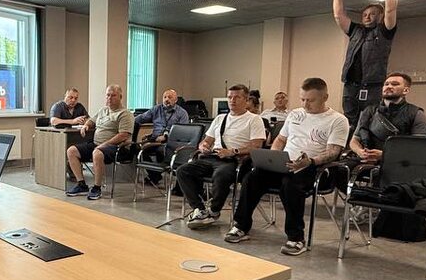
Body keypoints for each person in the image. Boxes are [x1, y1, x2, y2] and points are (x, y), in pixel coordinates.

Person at [225, 78, 349, 256]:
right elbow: (281, 139)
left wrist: (310, 161)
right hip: (285, 162)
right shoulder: (295, 114)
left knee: (290, 185)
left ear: (325, 97)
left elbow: (333, 152)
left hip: (314, 167)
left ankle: (296, 238)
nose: (305, 104)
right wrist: (274, 156)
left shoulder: (337, 120)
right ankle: (241, 226)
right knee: (252, 178)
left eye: (311, 100)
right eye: (302, 99)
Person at [176, 84, 265, 228]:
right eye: (230, 97)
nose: (232, 100)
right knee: (183, 171)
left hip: (234, 160)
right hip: (212, 157)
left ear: (246, 99)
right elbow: (206, 140)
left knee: (221, 175)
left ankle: (214, 210)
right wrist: (203, 146)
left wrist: (232, 151)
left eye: (237, 97)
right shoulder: (220, 118)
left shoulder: (254, 119)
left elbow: (256, 146)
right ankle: (199, 209)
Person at [333, 0, 400, 133]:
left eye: (372, 14)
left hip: (372, 85)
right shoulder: (355, 31)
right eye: (365, 14)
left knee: (370, 120)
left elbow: (391, 10)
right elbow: (339, 15)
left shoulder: (384, 31)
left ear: (380, 16)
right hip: (351, 85)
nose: (368, 17)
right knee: (350, 121)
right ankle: (349, 145)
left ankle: (367, 145)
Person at [66, 84, 134, 201]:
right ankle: (81, 185)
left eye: (113, 95)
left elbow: (124, 135)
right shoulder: (103, 110)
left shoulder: (125, 114)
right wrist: (86, 125)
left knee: (97, 153)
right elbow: (91, 120)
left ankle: (97, 188)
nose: (109, 98)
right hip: (97, 144)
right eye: (108, 95)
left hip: (116, 147)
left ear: (120, 97)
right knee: (71, 151)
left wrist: (105, 144)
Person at [349, 72, 426, 164]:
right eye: (386, 84)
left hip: (399, 163)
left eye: (395, 84)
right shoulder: (369, 111)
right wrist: (360, 152)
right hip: (365, 161)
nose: (389, 86)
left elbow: (417, 148)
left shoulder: (417, 114)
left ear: (405, 90)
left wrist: (384, 155)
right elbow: (354, 140)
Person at [134, 88, 189, 184]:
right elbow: (140, 118)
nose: (167, 99)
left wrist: (166, 137)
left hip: (171, 142)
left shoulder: (182, 113)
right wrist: (129, 119)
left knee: (162, 151)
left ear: (176, 100)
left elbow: (183, 132)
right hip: (155, 140)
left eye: (170, 97)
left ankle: (169, 175)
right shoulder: (156, 109)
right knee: (139, 149)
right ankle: (155, 175)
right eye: (165, 97)